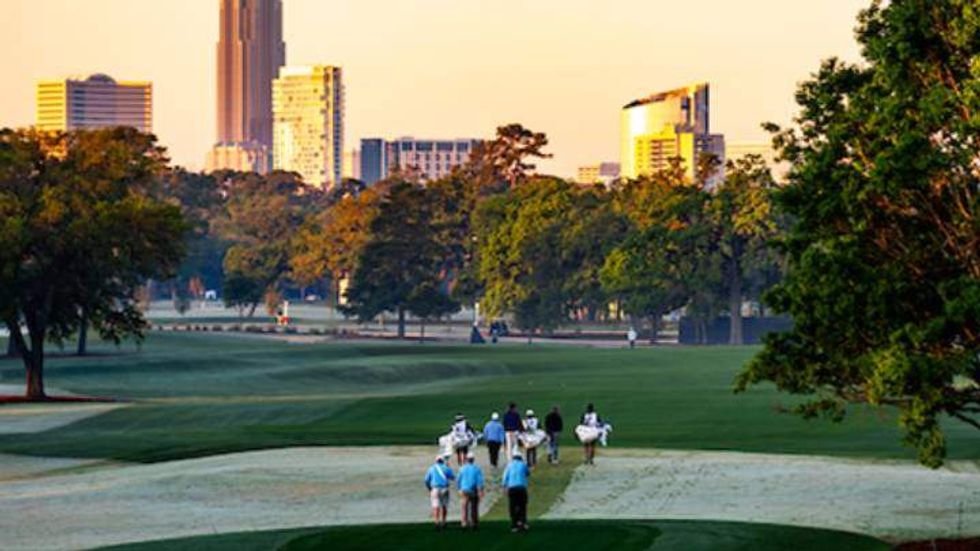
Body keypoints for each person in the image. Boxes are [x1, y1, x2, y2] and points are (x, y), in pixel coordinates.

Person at [424, 454, 455, 530]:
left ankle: (437, 521)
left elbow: (426, 480)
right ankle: (444, 521)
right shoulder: (446, 468)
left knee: (436, 506)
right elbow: (453, 477)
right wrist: (449, 468)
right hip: (444, 488)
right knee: (444, 505)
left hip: (435, 488)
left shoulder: (431, 468)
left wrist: (429, 488)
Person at [501, 450, 531, 532]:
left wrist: (504, 487)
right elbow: (528, 473)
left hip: (512, 488)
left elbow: (505, 477)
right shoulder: (523, 465)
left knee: (513, 506)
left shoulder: (509, 466)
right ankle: (523, 522)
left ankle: (514, 524)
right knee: (522, 506)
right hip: (521, 487)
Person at [457, 451, 485, 530]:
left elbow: (458, 480)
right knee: (474, 508)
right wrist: (481, 491)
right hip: (473, 490)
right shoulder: (477, 469)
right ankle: (474, 523)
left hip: (464, 490)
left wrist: (459, 489)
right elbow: (479, 481)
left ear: (466, 459)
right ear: (473, 459)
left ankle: (464, 523)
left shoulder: (462, 468)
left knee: (464, 507)